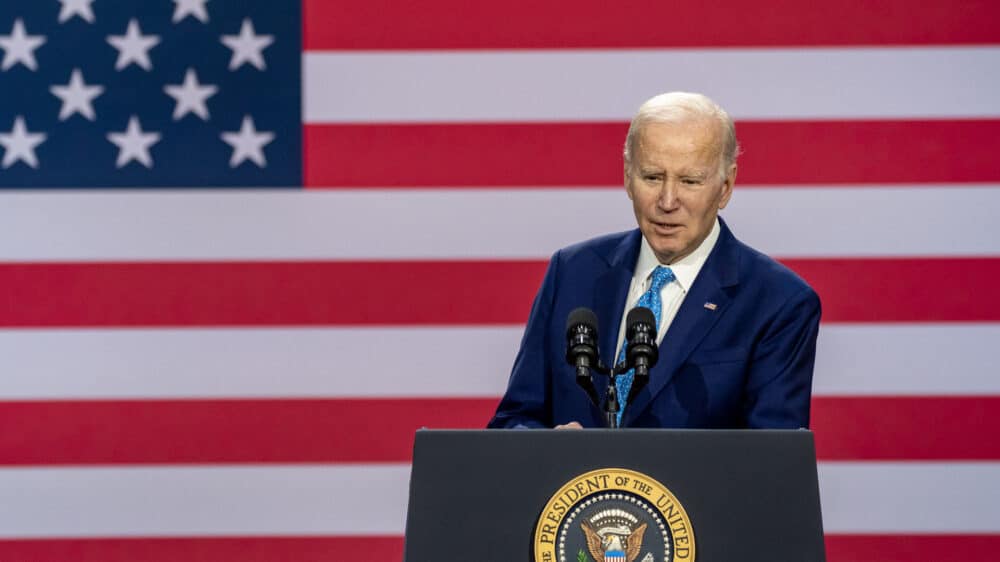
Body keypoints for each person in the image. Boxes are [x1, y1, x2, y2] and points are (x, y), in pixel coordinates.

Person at [488, 92, 821, 430]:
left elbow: (774, 464)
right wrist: (544, 449)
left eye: (689, 181)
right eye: (652, 177)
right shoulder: (572, 272)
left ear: (726, 186)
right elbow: (513, 420)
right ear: (627, 177)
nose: (667, 200)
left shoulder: (779, 302)